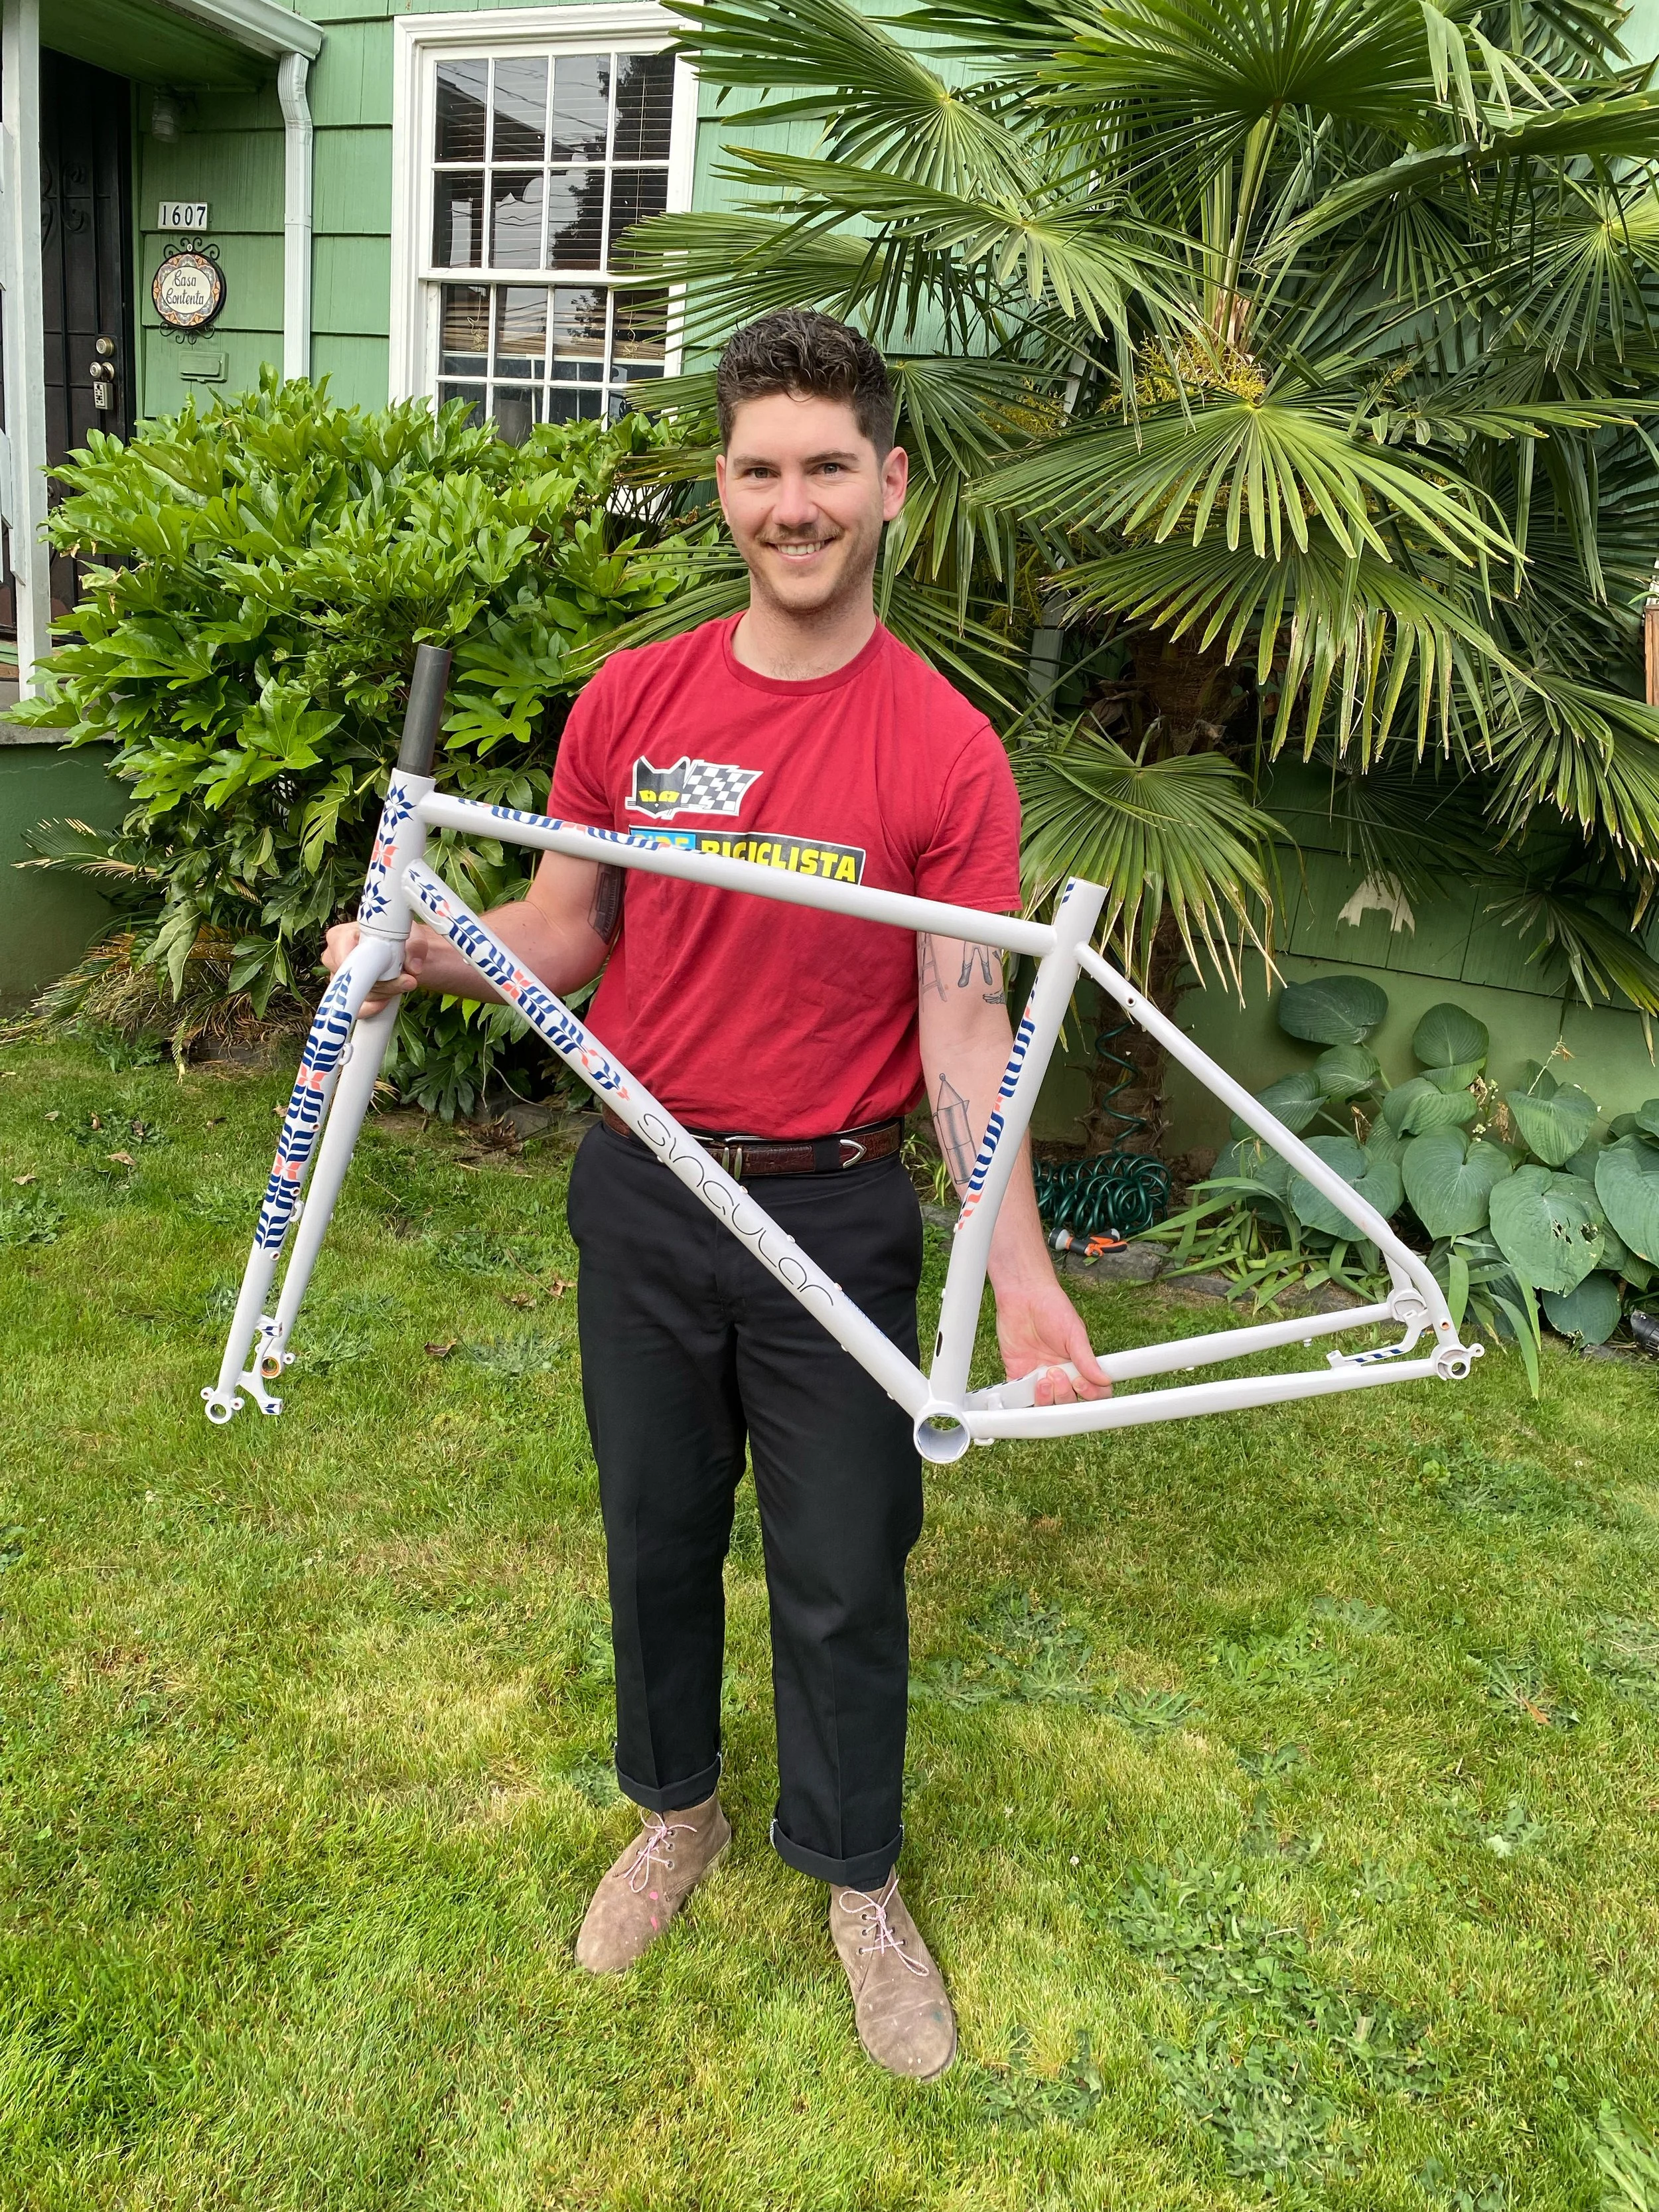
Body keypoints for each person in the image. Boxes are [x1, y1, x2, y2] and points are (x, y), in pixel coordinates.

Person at [324, 309, 1109, 2081]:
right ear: (726, 486)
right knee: (656, 1529)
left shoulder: (941, 753)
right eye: (759, 468)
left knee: (843, 1567)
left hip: (832, 1212)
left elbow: (964, 1020)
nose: (790, 501)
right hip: (647, 1191)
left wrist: (1015, 1271)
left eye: (826, 465)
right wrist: (415, 951)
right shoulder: (637, 700)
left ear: (890, 482)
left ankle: (854, 1875)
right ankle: (672, 1807)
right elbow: (564, 929)